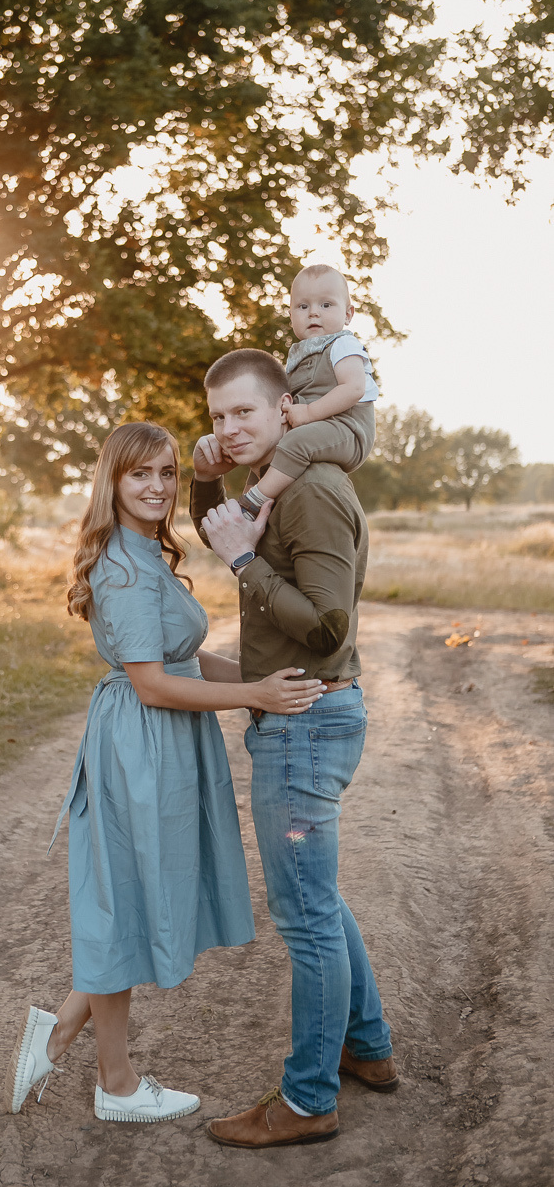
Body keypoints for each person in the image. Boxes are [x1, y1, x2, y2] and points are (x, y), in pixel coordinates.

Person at [4, 421, 326, 1125]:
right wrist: (253, 696)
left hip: (163, 743)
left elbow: (183, 659)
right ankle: (112, 1085)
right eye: (139, 475)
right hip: (139, 747)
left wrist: (263, 676)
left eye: (167, 474)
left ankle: (61, 1035)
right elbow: (151, 683)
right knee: (125, 901)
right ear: (112, 483)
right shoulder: (120, 567)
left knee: (133, 900)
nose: (156, 487)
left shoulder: (146, 552)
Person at [190, 348, 397, 1150]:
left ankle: (307, 1102)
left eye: (245, 412)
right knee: (319, 899)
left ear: (286, 410)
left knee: (305, 918)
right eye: (216, 416)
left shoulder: (308, 489)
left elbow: (325, 625)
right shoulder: (281, 482)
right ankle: (367, 1049)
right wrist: (211, 485)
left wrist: (240, 561)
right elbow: (229, 526)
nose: (229, 428)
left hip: (306, 722)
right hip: (302, 718)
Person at [238, 264, 378, 521]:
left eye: (326, 305)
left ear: (348, 314)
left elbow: (353, 388)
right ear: (291, 316)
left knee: (296, 442)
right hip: (315, 426)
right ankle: (243, 508)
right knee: (268, 445)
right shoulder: (298, 354)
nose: (314, 313)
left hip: (348, 429)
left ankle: (255, 502)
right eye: (303, 307)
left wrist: (309, 412)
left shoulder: (343, 344)